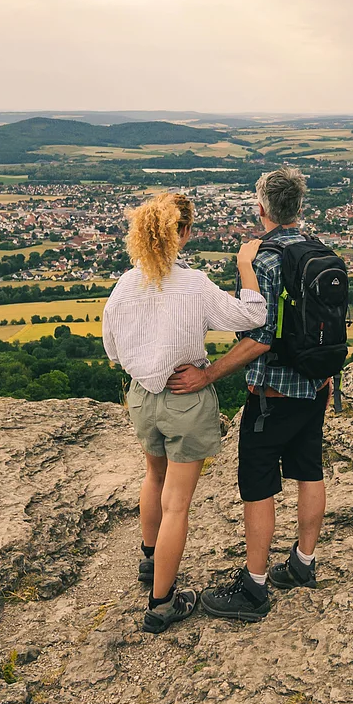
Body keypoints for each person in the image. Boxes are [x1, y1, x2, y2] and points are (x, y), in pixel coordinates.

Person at [101, 191, 266, 633]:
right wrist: (247, 268)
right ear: (185, 233)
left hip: (141, 398)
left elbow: (112, 351)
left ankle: (150, 559)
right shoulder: (193, 285)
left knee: (153, 477)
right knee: (177, 505)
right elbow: (251, 316)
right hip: (185, 397)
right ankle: (162, 603)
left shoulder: (124, 285)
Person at [169, 166, 327, 624]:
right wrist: (325, 371)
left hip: (272, 393)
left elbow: (258, 336)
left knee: (259, 487)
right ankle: (303, 563)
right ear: (298, 208)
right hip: (314, 387)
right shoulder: (319, 251)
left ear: (262, 209)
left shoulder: (264, 259)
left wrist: (207, 375)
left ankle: (254, 589)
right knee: (309, 471)